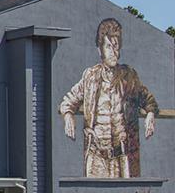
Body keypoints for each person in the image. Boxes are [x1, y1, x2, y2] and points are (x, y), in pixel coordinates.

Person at [59, 17, 158, 178]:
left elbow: (148, 99)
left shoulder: (129, 76)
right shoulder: (90, 77)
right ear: (100, 49)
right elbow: (69, 100)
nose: (113, 51)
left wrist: (150, 114)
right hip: (96, 155)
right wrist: (68, 115)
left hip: (123, 156)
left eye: (116, 46)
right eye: (108, 46)